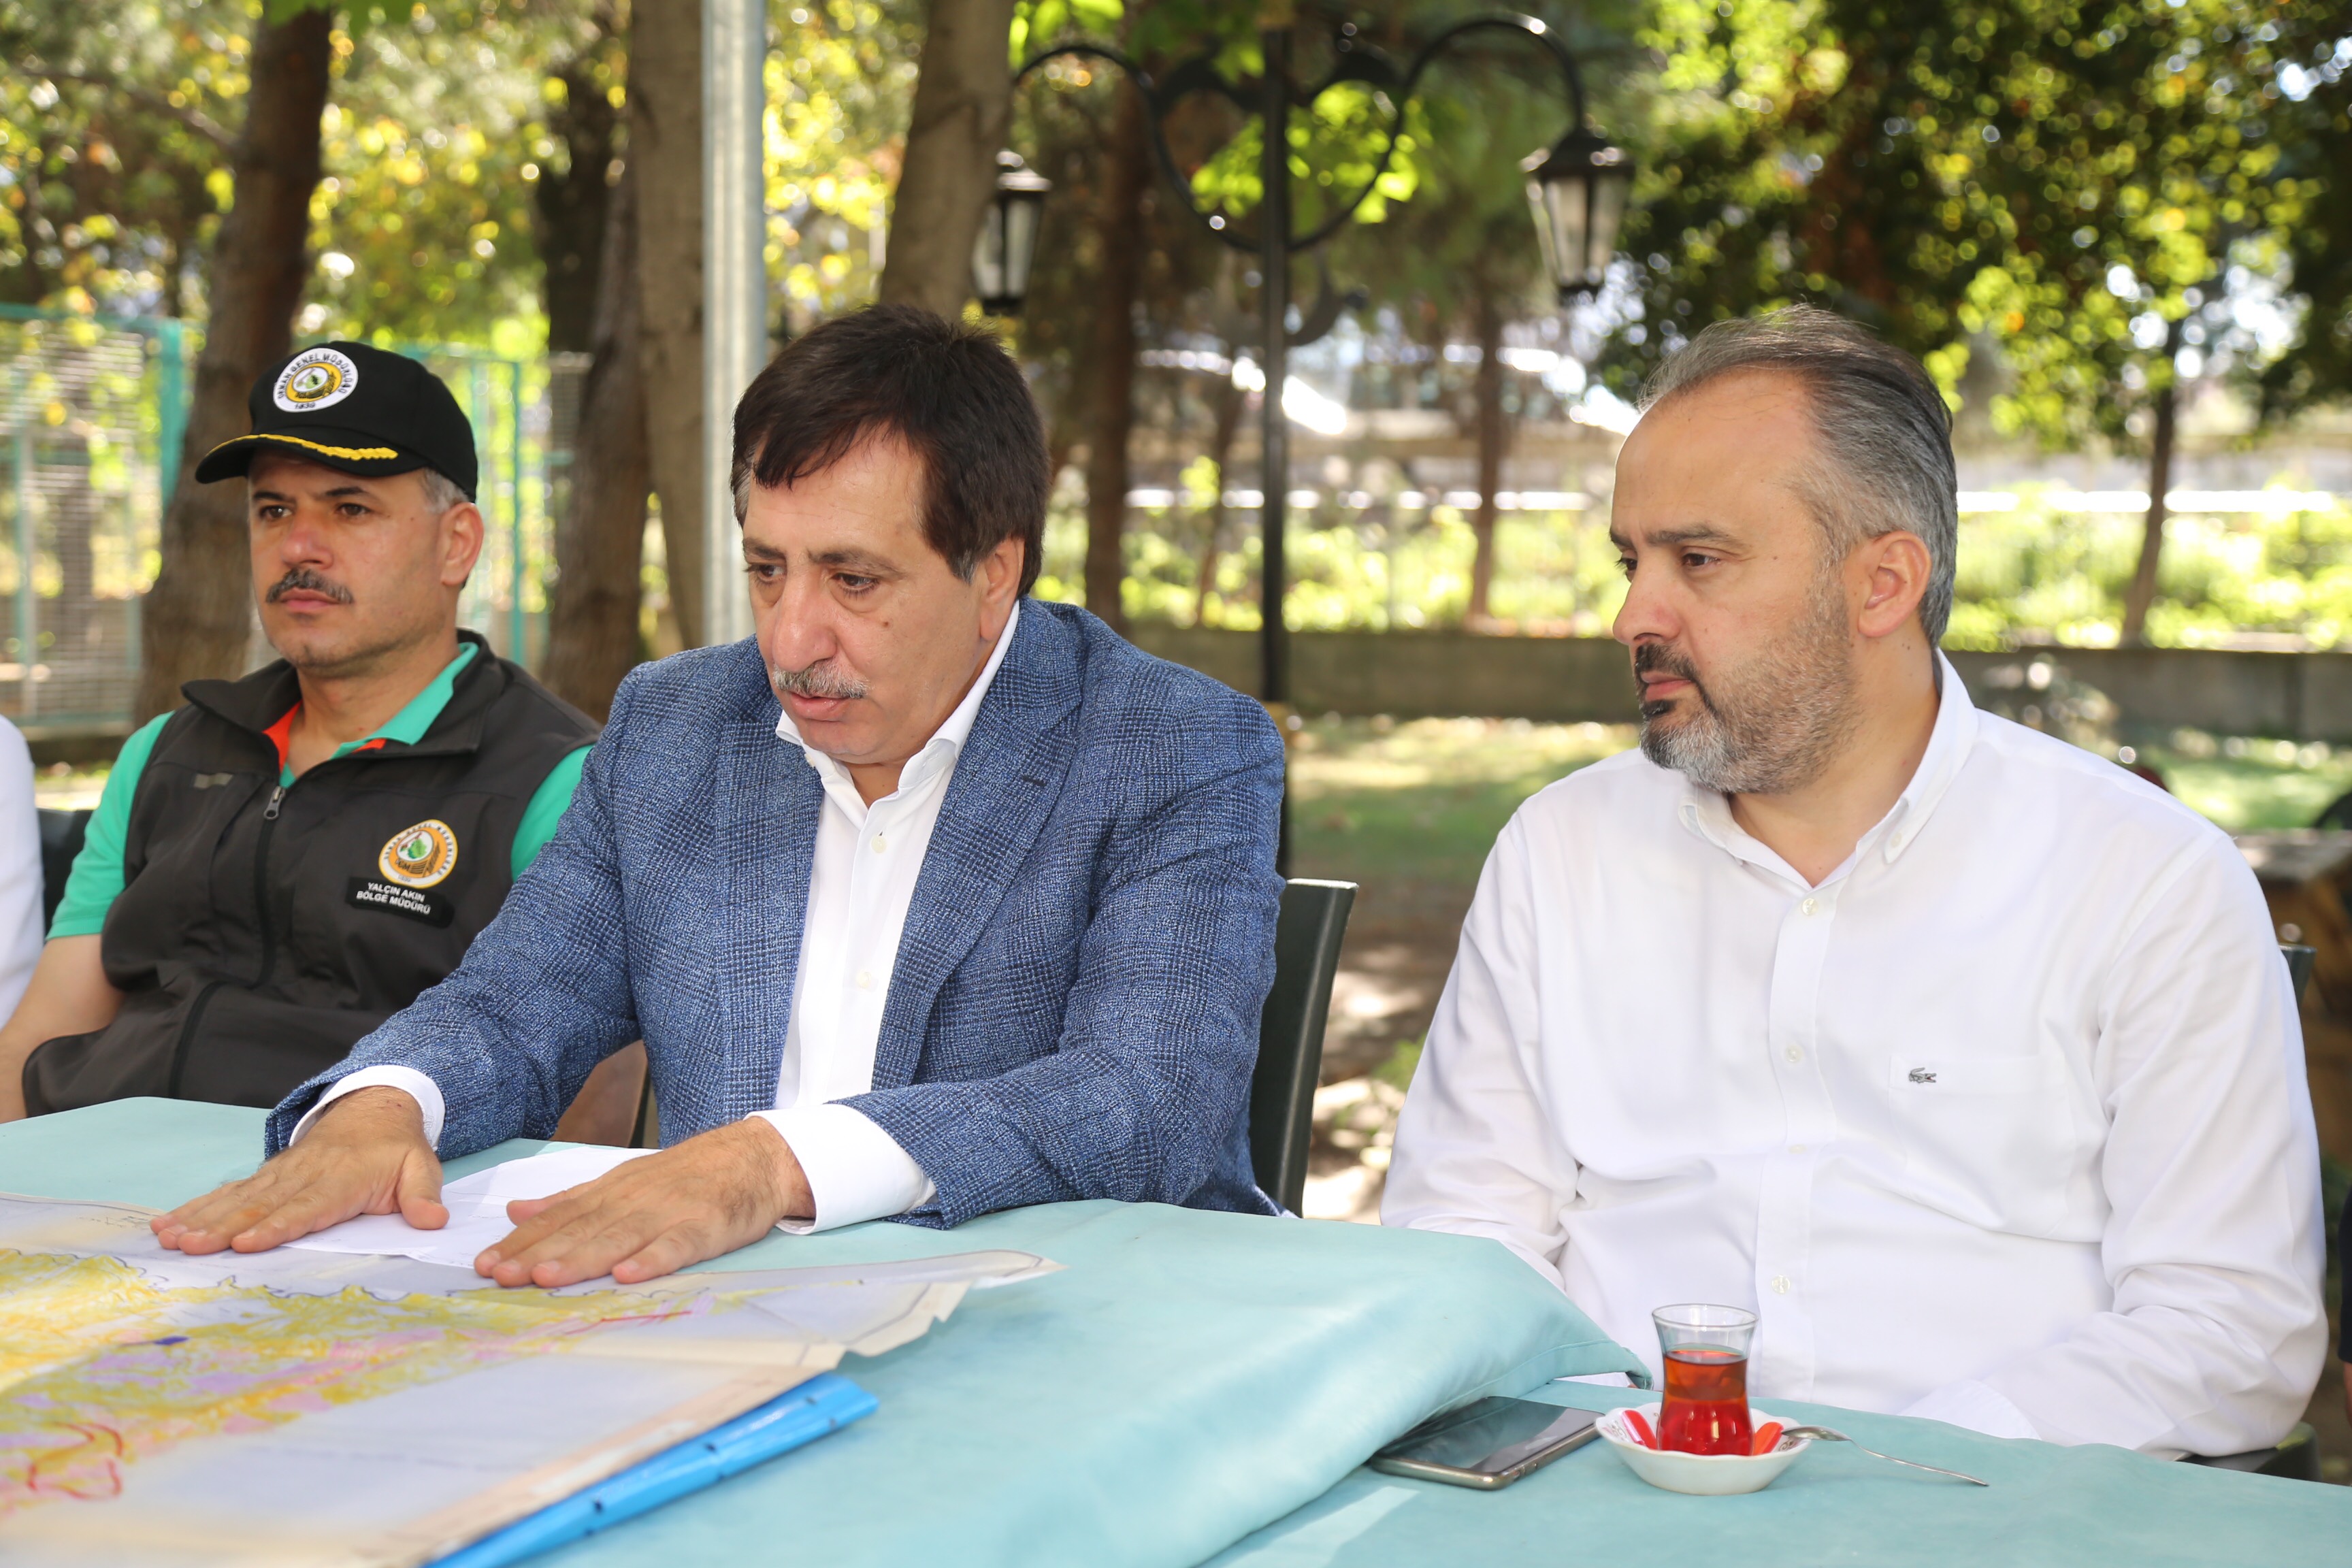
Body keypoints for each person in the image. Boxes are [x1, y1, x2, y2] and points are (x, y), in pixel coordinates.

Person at [152, 304, 1284, 1286]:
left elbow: (1147, 1099)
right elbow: (515, 1001)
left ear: (995, 571)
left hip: (1063, 1321)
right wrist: (386, 1104)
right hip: (725, 1323)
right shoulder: (680, 724)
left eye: (853, 579)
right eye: (766, 569)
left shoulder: (1173, 745)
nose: (791, 640)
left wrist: (773, 1161)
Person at [1382, 307, 2326, 1460]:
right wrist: (1597, 1445)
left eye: (1698, 560)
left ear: (1882, 582)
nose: (1635, 616)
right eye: (1632, 562)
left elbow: (2232, 1326)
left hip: (1992, 1509)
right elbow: (1462, 1229)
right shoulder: (1560, 849)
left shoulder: (2144, 878)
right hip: (1599, 1483)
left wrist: (1909, 1472)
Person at [0, 342, 598, 1119]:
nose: (298, 547)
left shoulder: (556, 780)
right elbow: (37, 1043)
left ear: (456, 544)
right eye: (273, 510)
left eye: (350, 509)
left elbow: (584, 1111)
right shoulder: (165, 755)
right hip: (90, 1169)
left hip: (351, 1187)